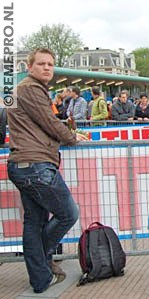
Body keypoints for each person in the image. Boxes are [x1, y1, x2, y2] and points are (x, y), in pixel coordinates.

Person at [6, 48, 88, 293]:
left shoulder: (26, 89)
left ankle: (41, 279)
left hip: (26, 164)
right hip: (36, 165)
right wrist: (72, 137)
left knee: (34, 221)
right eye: (41, 63)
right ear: (29, 67)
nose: (47, 68)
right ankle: (41, 258)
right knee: (68, 214)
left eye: (50, 64)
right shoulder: (30, 89)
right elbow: (50, 123)